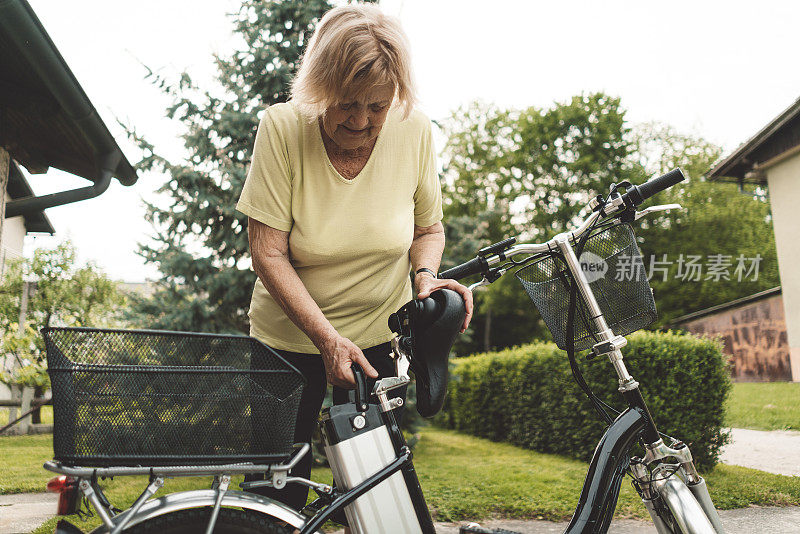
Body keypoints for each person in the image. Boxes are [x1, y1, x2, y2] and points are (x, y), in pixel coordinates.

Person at [236, 3, 473, 512]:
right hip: (287, 339)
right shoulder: (282, 128)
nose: (362, 120)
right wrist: (325, 337)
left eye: (378, 106)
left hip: (373, 338)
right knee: (274, 494)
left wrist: (426, 277)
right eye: (347, 103)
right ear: (320, 86)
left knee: (375, 497)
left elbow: (428, 229)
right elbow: (268, 253)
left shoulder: (415, 131)